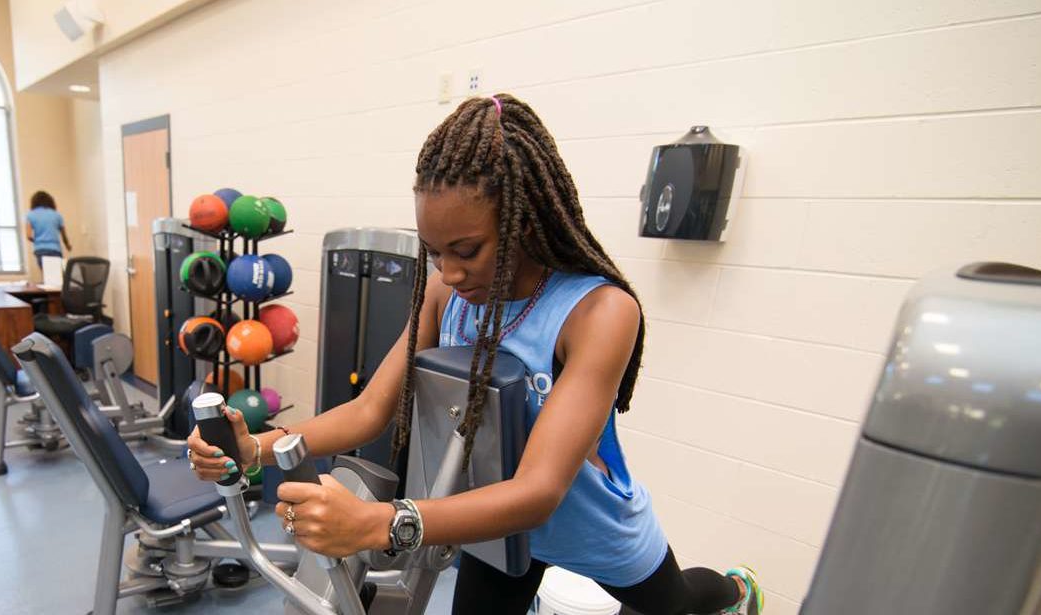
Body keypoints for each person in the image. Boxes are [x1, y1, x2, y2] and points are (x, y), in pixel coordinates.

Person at [187, 94, 763, 615]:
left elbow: (540, 491)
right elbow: (370, 411)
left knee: (678, 606)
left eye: (467, 250)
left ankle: (737, 591)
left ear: (526, 219)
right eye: (435, 253)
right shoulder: (444, 293)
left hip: (586, 520)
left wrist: (378, 523)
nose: (450, 272)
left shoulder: (599, 312)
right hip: (492, 523)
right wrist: (255, 447)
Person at [25, 190, 71, 270]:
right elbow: (64, 235)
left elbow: (28, 236)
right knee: (56, 276)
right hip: (55, 249)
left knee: (46, 276)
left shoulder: (31, 215)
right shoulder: (57, 215)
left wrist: (38, 241)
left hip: (40, 249)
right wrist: (68, 245)